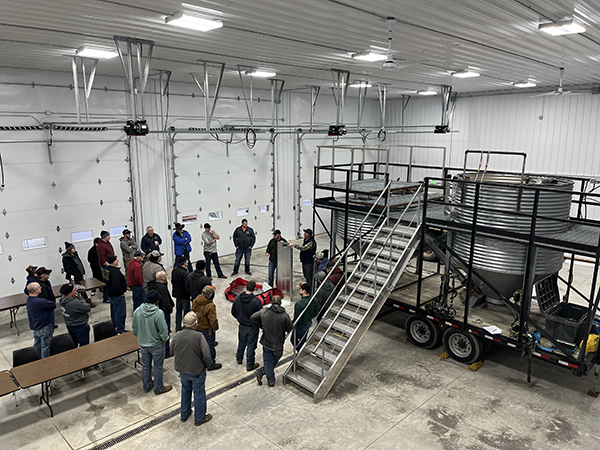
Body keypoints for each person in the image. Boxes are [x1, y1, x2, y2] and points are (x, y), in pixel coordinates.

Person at [172, 311, 214, 427]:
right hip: (197, 370)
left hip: (182, 370)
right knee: (199, 393)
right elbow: (207, 355)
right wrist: (208, 365)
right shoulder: (199, 337)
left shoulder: (177, 335)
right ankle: (199, 418)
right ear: (195, 324)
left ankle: (184, 414)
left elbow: (172, 350)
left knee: (185, 390)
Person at [132, 290, 172, 395]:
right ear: (157, 301)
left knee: (146, 366)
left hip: (143, 343)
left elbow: (134, 329)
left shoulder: (137, 311)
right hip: (156, 344)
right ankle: (159, 388)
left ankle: (146, 386)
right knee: (158, 367)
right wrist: (165, 339)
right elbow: (163, 330)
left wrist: (140, 337)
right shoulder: (158, 313)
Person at [251, 295, 293, 387]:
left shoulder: (264, 311)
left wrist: (261, 326)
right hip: (278, 343)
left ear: (271, 302)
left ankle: (262, 373)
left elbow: (253, 317)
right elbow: (290, 328)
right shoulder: (284, 315)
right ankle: (270, 380)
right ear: (280, 303)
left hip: (266, 341)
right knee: (275, 358)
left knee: (268, 360)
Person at [231, 280, 263, 371]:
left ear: (246, 287)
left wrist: (239, 318)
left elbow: (233, 311)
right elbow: (260, 316)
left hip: (242, 325)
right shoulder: (257, 301)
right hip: (253, 327)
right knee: (251, 346)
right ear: (255, 289)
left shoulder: (238, 298)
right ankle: (250, 364)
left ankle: (239, 358)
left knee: (241, 343)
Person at [191, 285, 222, 370]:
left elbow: (193, 312)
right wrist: (215, 327)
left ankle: (200, 361)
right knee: (209, 347)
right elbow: (213, 320)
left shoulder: (195, 301)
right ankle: (211, 364)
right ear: (210, 295)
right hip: (207, 330)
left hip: (197, 327)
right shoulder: (210, 305)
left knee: (199, 346)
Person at [148, 271, 175, 358]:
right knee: (165, 330)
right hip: (163, 313)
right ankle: (166, 350)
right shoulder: (162, 288)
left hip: (155, 312)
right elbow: (165, 301)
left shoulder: (152, 286)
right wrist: (169, 308)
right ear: (163, 278)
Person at [26, 282, 55, 358]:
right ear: (35, 290)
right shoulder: (40, 301)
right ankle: (45, 362)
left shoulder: (29, 299)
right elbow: (52, 305)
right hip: (43, 327)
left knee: (37, 345)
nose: (41, 288)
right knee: (46, 346)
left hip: (36, 327)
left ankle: (36, 359)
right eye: (39, 287)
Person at [62, 241, 95, 307]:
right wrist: (74, 275)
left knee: (82, 288)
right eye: (73, 248)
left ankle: (85, 300)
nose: (74, 249)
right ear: (69, 249)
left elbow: (79, 263)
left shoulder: (75, 255)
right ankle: (80, 302)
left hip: (79, 274)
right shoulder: (66, 258)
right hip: (74, 276)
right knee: (76, 289)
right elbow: (67, 269)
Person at [291, 282, 319, 351]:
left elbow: (297, 318)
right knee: (303, 338)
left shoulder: (299, 304)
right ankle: (302, 349)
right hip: (308, 322)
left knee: (293, 340)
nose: (299, 290)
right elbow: (316, 311)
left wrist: (293, 324)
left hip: (300, 325)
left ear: (304, 291)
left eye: (300, 289)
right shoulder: (314, 300)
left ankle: (300, 350)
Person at [104, 255, 127, 334]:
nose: (118, 261)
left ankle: (114, 326)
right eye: (117, 260)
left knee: (114, 311)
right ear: (113, 262)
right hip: (117, 295)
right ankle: (120, 329)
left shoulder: (107, 269)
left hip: (110, 294)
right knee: (120, 312)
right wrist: (121, 292)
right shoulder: (115, 272)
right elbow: (116, 285)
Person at [172, 256, 191, 332]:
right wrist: (189, 293)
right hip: (184, 295)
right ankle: (186, 327)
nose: (187, 262)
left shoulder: (175, 270)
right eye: (186, 261)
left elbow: (172, 281)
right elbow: (186, 286)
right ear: (184, 263)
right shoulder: (184, 273)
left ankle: (178, 327)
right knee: (186, 312)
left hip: (177, 294)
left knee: (178, 312)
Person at [97, 230, 115, 304]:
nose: (109, 237)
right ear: (104, 237)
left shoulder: (108, 243)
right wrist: (108, 265)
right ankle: (106, 297)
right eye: (108, 235)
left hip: (111, 264)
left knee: (110, 281)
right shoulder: (101, 245)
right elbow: (101, 257)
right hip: (106, 266)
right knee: (106, 281)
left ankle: (110, 295)